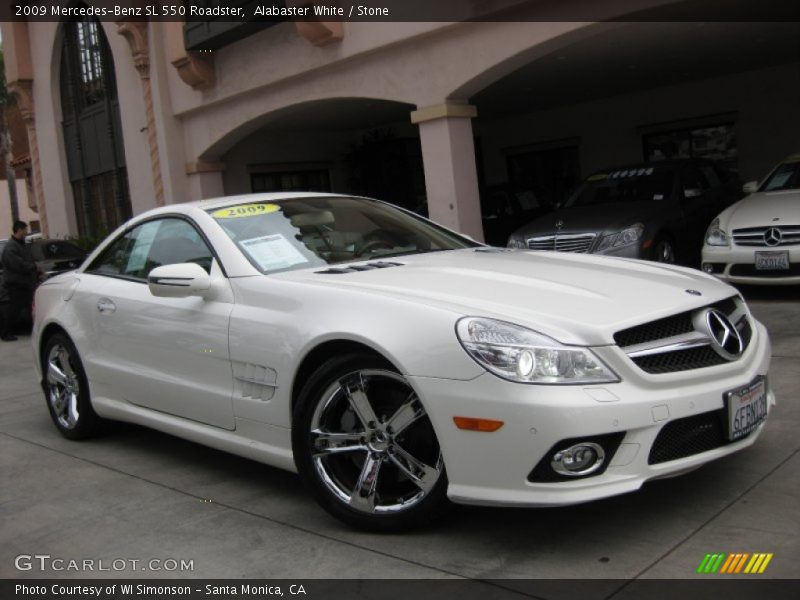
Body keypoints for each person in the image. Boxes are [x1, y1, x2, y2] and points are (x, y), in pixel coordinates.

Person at [1, 221, 38, 341]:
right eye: (25, 230)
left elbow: (28, 260)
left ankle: (35, 330)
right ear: (19, 230)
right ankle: (5, 333)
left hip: (24, 283)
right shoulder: (11, 247)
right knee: (13, 310)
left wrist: (35, 269)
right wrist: (32, 267)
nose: (26, 232)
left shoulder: (21, 245)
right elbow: (18, 264)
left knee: (30, 307)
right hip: (15, 284)